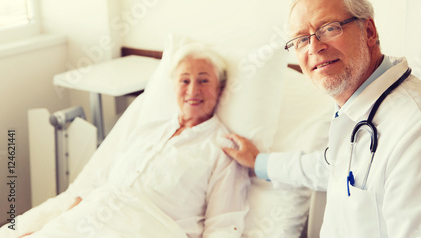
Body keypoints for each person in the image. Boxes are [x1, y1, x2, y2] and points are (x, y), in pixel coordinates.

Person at [223, 0, 421, 238]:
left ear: (369, 31)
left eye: (329, 28)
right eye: (301, 39)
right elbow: (330, 168)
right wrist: (259, 162)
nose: (314, 47)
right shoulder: (358, 111)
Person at [5, 44, 249, 238]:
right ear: (174, 85)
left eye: (204, 80)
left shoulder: (224, 149)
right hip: (91, 219)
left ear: (220, 88)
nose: (192, 89)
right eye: (184, 80)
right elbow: (96, 185)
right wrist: (53, 227)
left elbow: (223, 225)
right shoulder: (147, 129)